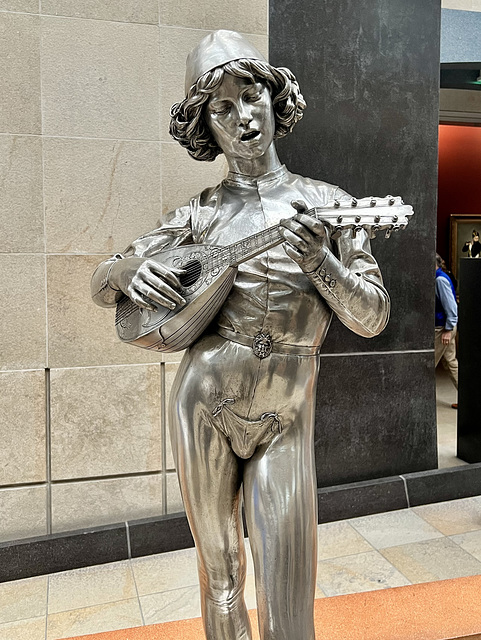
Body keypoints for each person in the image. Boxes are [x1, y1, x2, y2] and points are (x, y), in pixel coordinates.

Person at [91, 30, 390, 640]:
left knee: (287, 591)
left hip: (287, 412)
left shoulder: (329, 205)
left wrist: (322, 265)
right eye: (220, 108)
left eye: (249, 94)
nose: (242, 116)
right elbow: (103, 284)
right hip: (204, 402)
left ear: (274, 100)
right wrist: (129, 268)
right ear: (206, 128)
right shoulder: (198, 216)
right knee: (221, 580)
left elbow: (372, 316)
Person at [435, 253, 458, 407]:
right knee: (451, 362)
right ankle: (471, 399)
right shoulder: (441, 277)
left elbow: (451, 306)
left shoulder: (440, 280)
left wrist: (448, 329)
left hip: (442, 328)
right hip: (445, 327)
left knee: (428, 364)